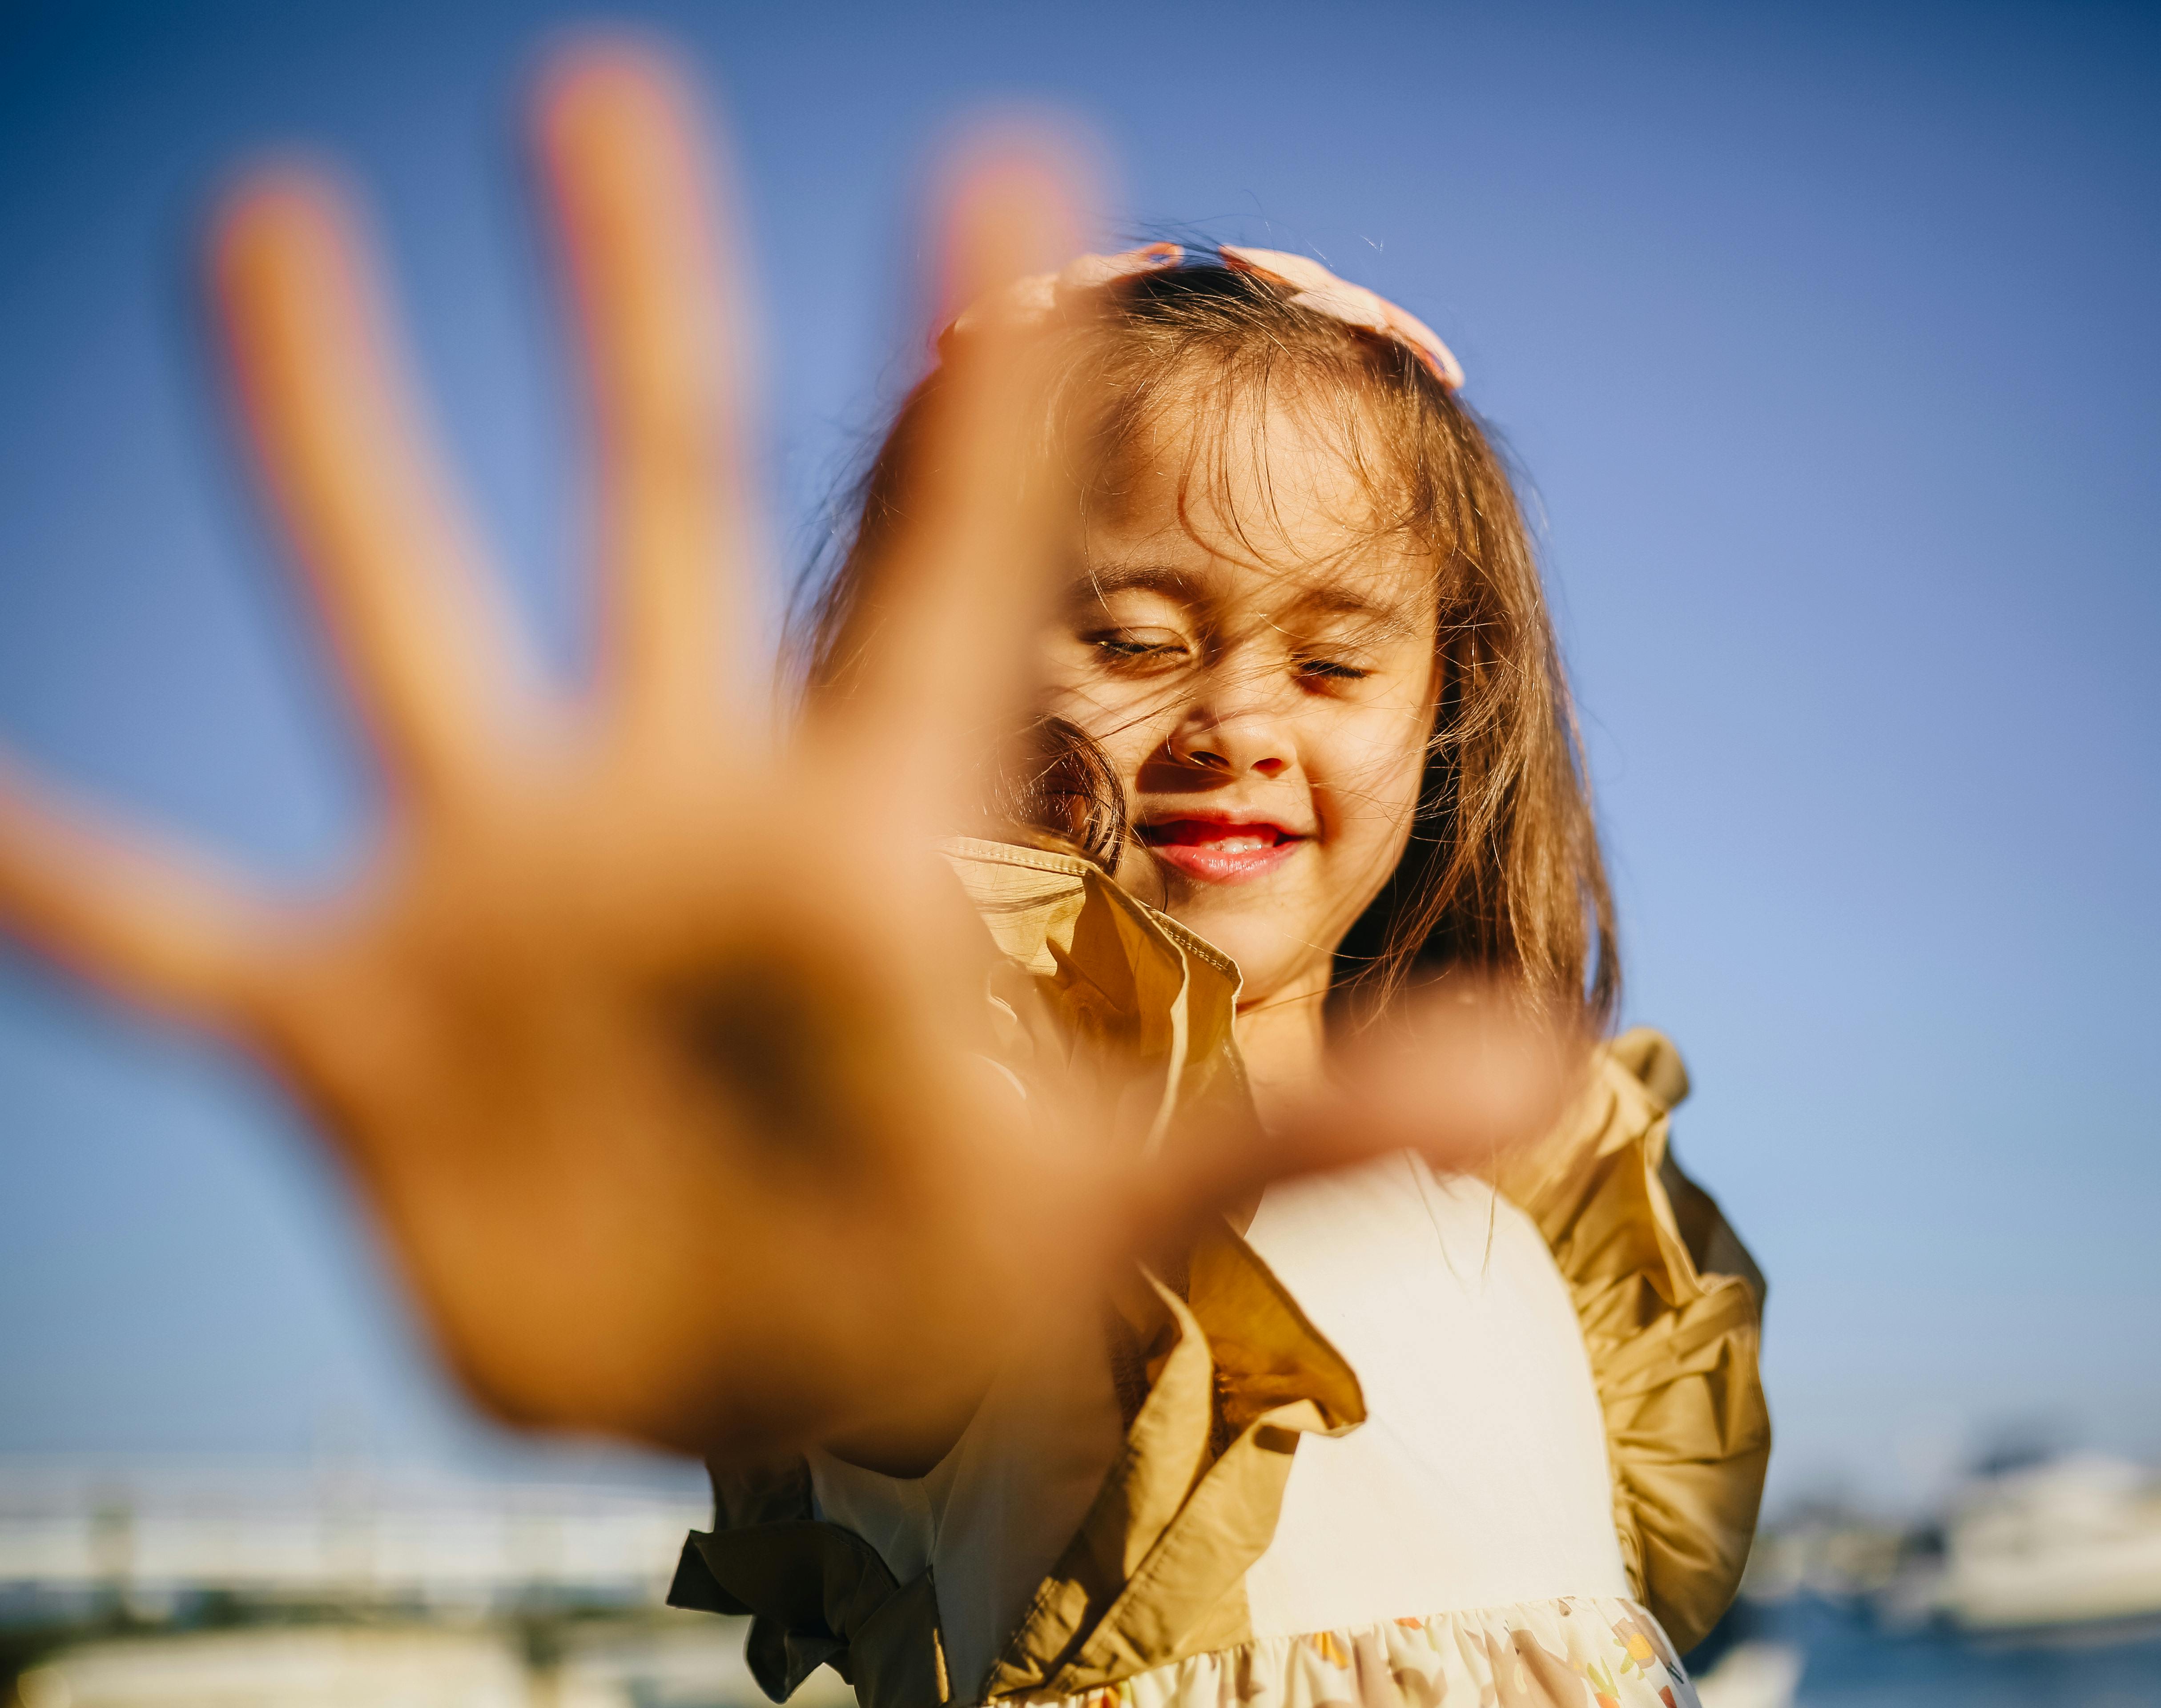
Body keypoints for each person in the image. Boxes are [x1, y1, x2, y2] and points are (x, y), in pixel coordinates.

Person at [0, 41, 1768, 1708]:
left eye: (1333, 664)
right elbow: (902, 1332)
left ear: (1458, 708)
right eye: (1135, 636)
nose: (1237, 720)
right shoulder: (958, 1161)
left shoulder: (1548, 1208)